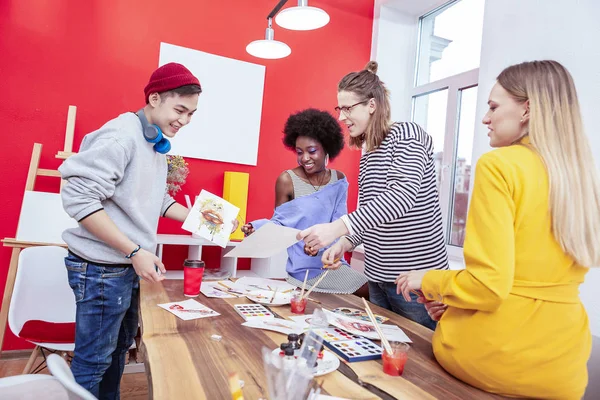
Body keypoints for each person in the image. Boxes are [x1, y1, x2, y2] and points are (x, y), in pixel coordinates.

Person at [396, 60, 599, 399]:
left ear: (527, 109)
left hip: (494, 362)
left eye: (493, 106)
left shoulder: (499, 165)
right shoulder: (582, 178)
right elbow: (521, 283)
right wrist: (458, 303)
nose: (485, 118)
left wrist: (427, 280)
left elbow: (489, 285)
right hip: (563, 370)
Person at [59, 63, 237, 399]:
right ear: (154, 98)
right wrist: (134, 251)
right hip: (101, 269)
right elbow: (79, 199)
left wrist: (209, 221)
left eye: (191, 114)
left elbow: (158, 201)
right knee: (93, 362)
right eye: (180, 110)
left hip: (122, 268)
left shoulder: (152, 144)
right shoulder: (121, 135)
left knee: (116, 355)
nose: (184, 121)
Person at [297, 61, 448, 330]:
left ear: (371, 105)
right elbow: (372, 215)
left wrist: (336, 228)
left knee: (419, 363)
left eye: (347, 108)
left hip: (413, 282)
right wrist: (346, 242)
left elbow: (400, 197)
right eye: (339, 109)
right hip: (378, 278)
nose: (341, 117)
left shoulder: (407, 135)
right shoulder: (369, 154)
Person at [241, 108, 368, 294]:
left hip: (332, 261)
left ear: (327, 148)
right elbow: (279, 224)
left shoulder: (339, 180)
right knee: (370, 292)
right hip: (303, 269)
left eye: (312, 151)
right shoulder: (287, 180)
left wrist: (326, 249)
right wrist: (255, 227)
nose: (304, 158)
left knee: (372, 292)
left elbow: (341, 223)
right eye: (299, 152)